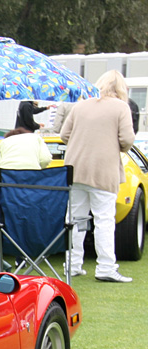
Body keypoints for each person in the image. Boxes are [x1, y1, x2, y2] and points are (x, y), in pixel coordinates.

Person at [61, 70, 136, 282]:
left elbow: (64, 135)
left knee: (75, 219)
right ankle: (105, 267)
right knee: (104, 220)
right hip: (103, 170)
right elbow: (127, 139)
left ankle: (72, 264)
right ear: (121, 89)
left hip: (75, 169)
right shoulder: (121, 107)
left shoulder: (81, 105)